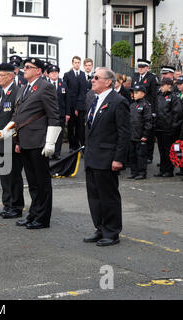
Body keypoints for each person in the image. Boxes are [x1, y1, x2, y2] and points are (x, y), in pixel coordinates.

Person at [5, 57, 61, 229]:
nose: (24, 69)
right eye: (24, 67)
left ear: (38, 71)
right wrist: (8, 129)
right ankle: (33, 214)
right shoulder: (23, 88)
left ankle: (43, 218)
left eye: (29, 67)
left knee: (42, 182)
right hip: (25, 141)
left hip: (39, 141)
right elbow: (18, 114)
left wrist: (50, 142)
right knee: (32, 182)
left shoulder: (46, 87)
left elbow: (54, 115)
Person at [83, 67, 130, 247]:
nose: (92, 80)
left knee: (108, 196)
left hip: (107, 157)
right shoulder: (92, 99)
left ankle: (112, 232)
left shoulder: (118, 102)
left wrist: (118, 158)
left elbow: (124, 133)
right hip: (92, 156)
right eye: (92, 77)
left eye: (96, 77)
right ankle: (101, 228)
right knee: (94, 196)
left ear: (108, 81)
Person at [0, 62, 24, 219]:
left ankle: (16, 206)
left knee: (13, 176)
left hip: (11, 140)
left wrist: (15, 138)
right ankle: (7, 205)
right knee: (3, 175)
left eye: (1, 75)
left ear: (11, 76)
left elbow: (17, 117)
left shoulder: (17, 92)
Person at [131, 59, 159, 164]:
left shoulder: (151, 78)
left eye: (142, 67)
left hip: (147, 107)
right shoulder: (135, 77)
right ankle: (138, 156)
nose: (140, 69)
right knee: (138, 133)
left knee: (148, 134)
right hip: (136, 108)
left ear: (147, 68)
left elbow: (154, 96)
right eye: (139, 67)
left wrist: (154, 111)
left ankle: (149, 156)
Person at [153, 77, 182, 178]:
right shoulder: (159, 96)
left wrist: (173, 126)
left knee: (168, 150)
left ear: (169, 86)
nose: (161, 87)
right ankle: (162, 170)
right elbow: (157, 111)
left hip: (169, 129)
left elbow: (177, 113)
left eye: (163, 85)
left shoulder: (174, 97)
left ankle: (169, 170)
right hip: (160, 128)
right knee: (161, 150)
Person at [127, 85, 153, 180]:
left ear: (143, 94)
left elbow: (148, 121)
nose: (134, 94)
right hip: (132, 135)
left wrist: (145, 134)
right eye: (134, 92)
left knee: (141, 155)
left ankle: (142, 172)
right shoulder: (132, 105)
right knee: (132, 155)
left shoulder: (146, 105)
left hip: (141, 136)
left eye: (137, 92)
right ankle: (134, 172)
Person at [63, 56, 87, 152]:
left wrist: (78, 107)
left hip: (80, 105)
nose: (77, 64)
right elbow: (66, 92)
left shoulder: (82, 74)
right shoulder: (67, 75)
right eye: (75, 62)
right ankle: (72, 145)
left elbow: (83, 91)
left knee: (79, 126)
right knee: (70, 126)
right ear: (72, 63)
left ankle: (77, 145)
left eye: (78, 62)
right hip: (70, 105)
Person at [47, 64, 70, 160]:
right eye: (52, 72)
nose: (54, 74)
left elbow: (67, 100)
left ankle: (57, 153)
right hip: (47, 114)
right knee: (48, 133)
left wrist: (68, 113)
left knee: (59, 134)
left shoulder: (63, 84)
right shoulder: (45, 84)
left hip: (60, 113)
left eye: (56, 72)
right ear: (48, 74)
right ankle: (48, 152)